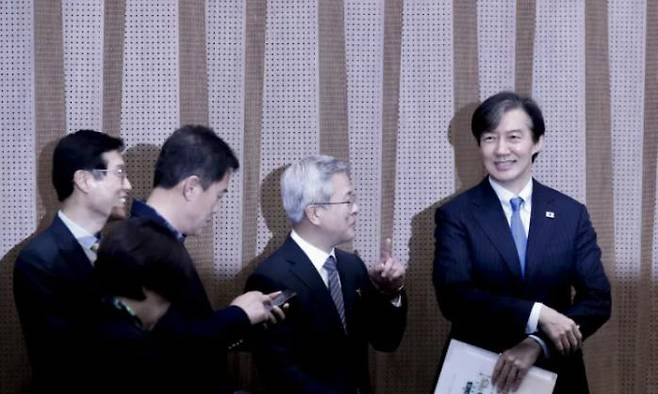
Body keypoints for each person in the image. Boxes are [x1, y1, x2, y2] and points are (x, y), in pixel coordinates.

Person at [433, 91, 611, 393]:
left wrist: (537, 343)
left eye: (514, 137)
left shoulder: (571, 214)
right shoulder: (456, 215)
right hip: (480, 372)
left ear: (537, 141)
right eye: (490, 138)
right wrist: (537, 313)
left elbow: (597, 300)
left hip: (556, 373)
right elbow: (454, 298)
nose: (501, 149)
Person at [129, 124, 283, 393]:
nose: (217, 208)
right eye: (218, 196)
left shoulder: (149, 236)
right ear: (191, 188)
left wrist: (239, 313)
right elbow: (173, 346)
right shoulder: (144, 245)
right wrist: (239, 314)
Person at [246, 155, 407, 393]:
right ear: (315, 213)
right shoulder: (270, 278)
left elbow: (386, 340)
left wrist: (393, 291)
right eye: (347, 201)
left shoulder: (353, 267)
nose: (356, 209)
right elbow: (281, 374)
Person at [13, 130, 132, 392]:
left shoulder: (116, 252)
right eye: (120, 173)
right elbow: (67, 361)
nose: (128, 186)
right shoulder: (39, 260)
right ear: (84, 180)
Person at [91, 217, 185, 393]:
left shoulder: (89, 315)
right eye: (165, 300)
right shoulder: (135, 348)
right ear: (150, 287)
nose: (164, 312)